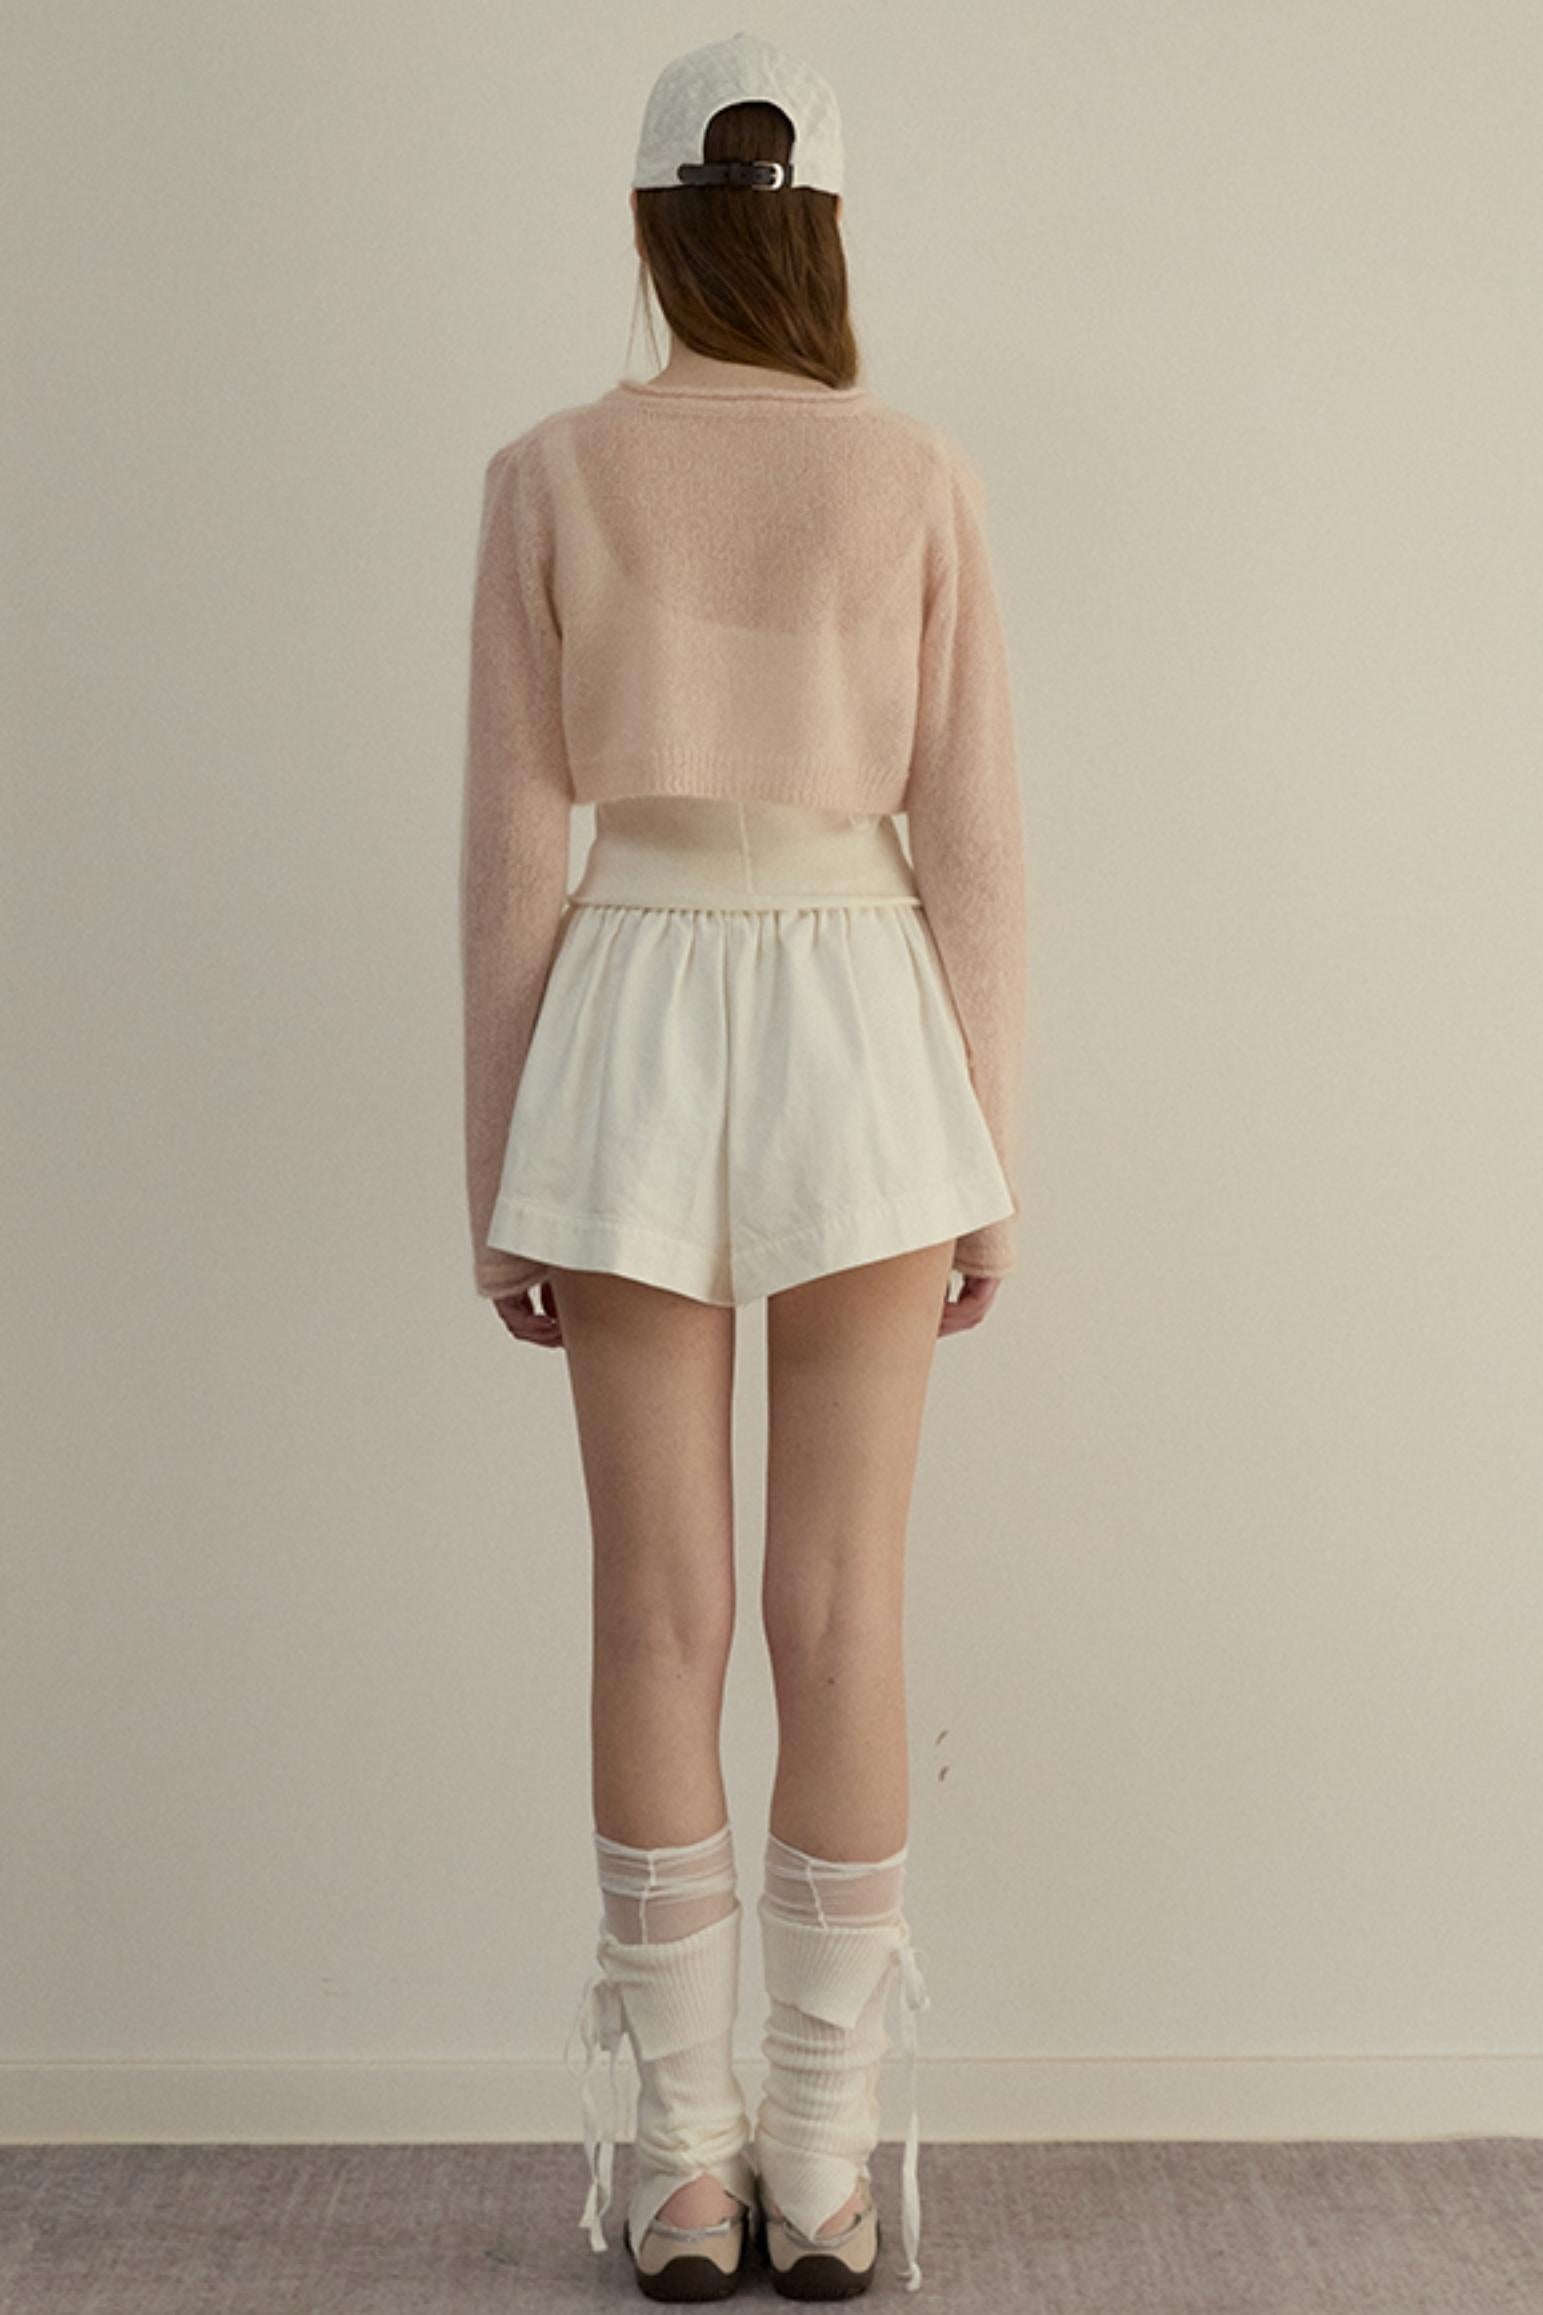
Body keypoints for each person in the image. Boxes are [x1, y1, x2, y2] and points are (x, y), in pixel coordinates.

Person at [458, 33, 1028, 2300]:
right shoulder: (912, 474)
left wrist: (500, 1172)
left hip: (629, 1000)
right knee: (840, 1603)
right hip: (864, 1014)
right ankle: (826, 2161)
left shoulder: (547, 474)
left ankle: (687, 2174)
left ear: (651, 221)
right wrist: (988, 1157)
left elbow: (513, 848)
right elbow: (971, 840)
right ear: (824, 227)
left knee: (658, 1606)